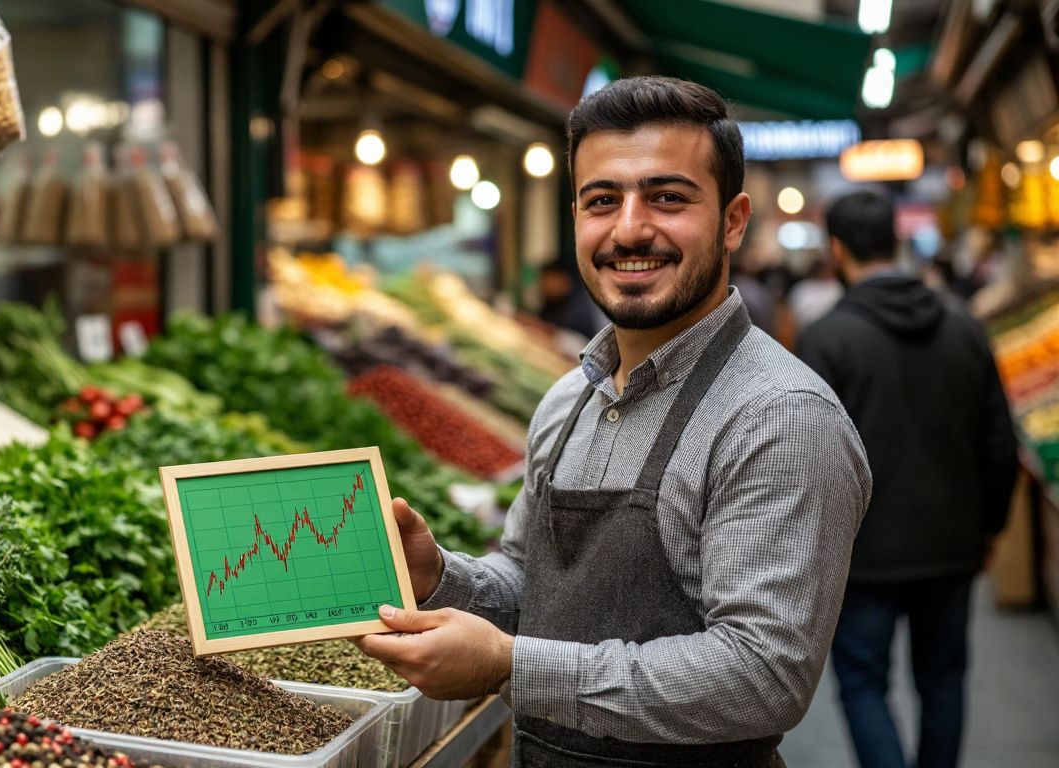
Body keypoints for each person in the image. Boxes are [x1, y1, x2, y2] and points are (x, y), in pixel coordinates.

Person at [355, 76, 871, 767]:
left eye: (667, 198)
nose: (629, 229)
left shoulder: (779, 419)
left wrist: (511, 666)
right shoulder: (568, 400)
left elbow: (762, 676)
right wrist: (440, 579)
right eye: (603, 201)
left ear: (733, 220)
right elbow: (530, 581)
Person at [794, 190, 1017, 768]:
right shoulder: (965, 329)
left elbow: (806, 461)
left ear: (836, 249)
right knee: (943, 680)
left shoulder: (824, 340)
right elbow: (998, 439)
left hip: (860, 555)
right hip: (952, 542)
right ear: (895, 241)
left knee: (864, 683)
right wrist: (990, 526)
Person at [537, 261, 609, 339]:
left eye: (551, 279)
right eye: (544, 280)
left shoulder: (583, 304)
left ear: (564, 279)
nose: (547, 285)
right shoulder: (550, 304)